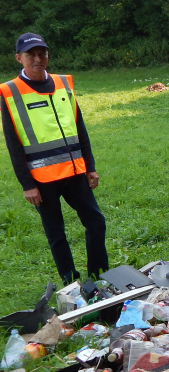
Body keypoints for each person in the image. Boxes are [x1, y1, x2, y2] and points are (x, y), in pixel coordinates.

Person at [1, 32, 108, 284]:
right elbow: (13, 144)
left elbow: (79, 127)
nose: (38, 59)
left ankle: (98, 274)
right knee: (56, 234)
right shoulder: (10, 92)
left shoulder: (63, 84)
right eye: (31, 54)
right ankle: (70, 281)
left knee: (96, 222)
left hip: (74, 173)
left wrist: (89, 166)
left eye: (42, 53)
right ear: (19, 58)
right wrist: (27, 184)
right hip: (41, 181)